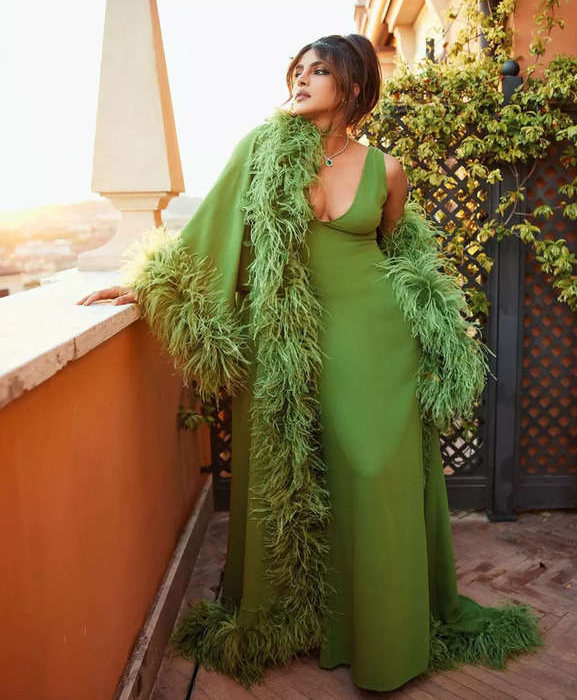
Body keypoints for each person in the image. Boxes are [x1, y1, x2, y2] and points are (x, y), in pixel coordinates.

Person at [77, 34, 543, 691]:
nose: (300, 79)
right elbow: (210, 233)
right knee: (295, 480)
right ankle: (309, 618)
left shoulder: (386, 169)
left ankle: (385, 636)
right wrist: (149, 284)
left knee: (374, 475)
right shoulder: (260, 153)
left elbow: (393, 249)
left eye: (317, 70)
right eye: (296, 70)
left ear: (351, 86)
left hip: (376, 341)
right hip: (289, 344)